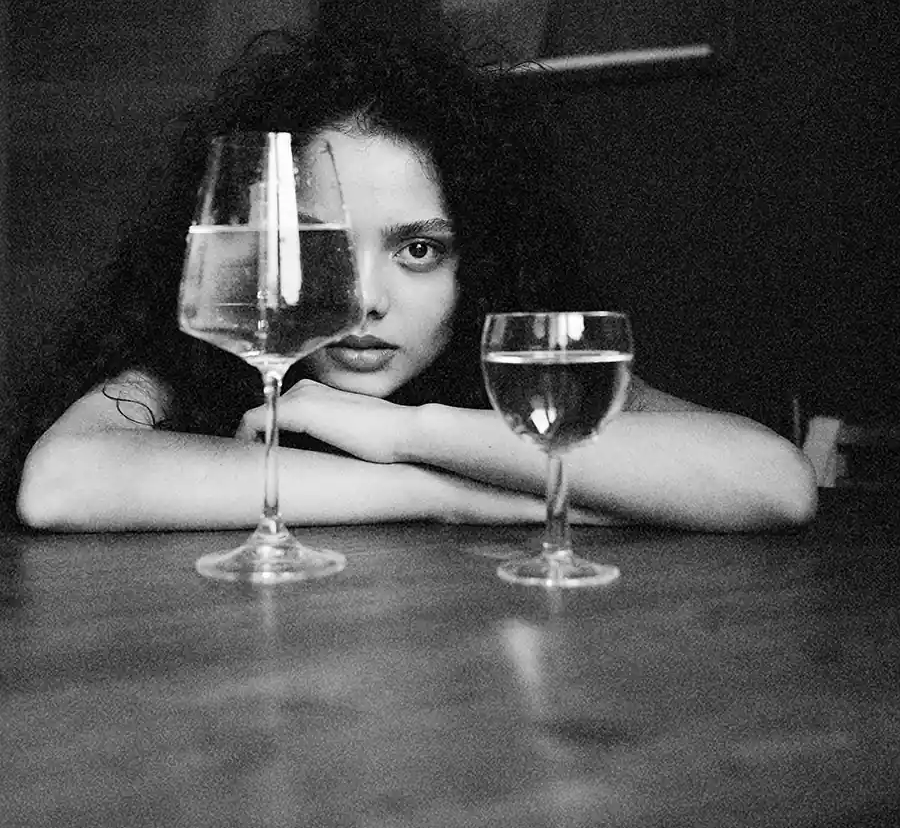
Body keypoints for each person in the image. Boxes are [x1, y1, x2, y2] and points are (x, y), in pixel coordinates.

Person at [13, 26, 817, 532]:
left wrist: (411, 431)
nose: (365, 296)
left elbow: (773, 481)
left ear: (483, 260)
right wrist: (447, 493)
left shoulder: (505, 373)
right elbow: (61, 484)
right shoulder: (210, 354)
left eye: (419, 250)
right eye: (324, 244)